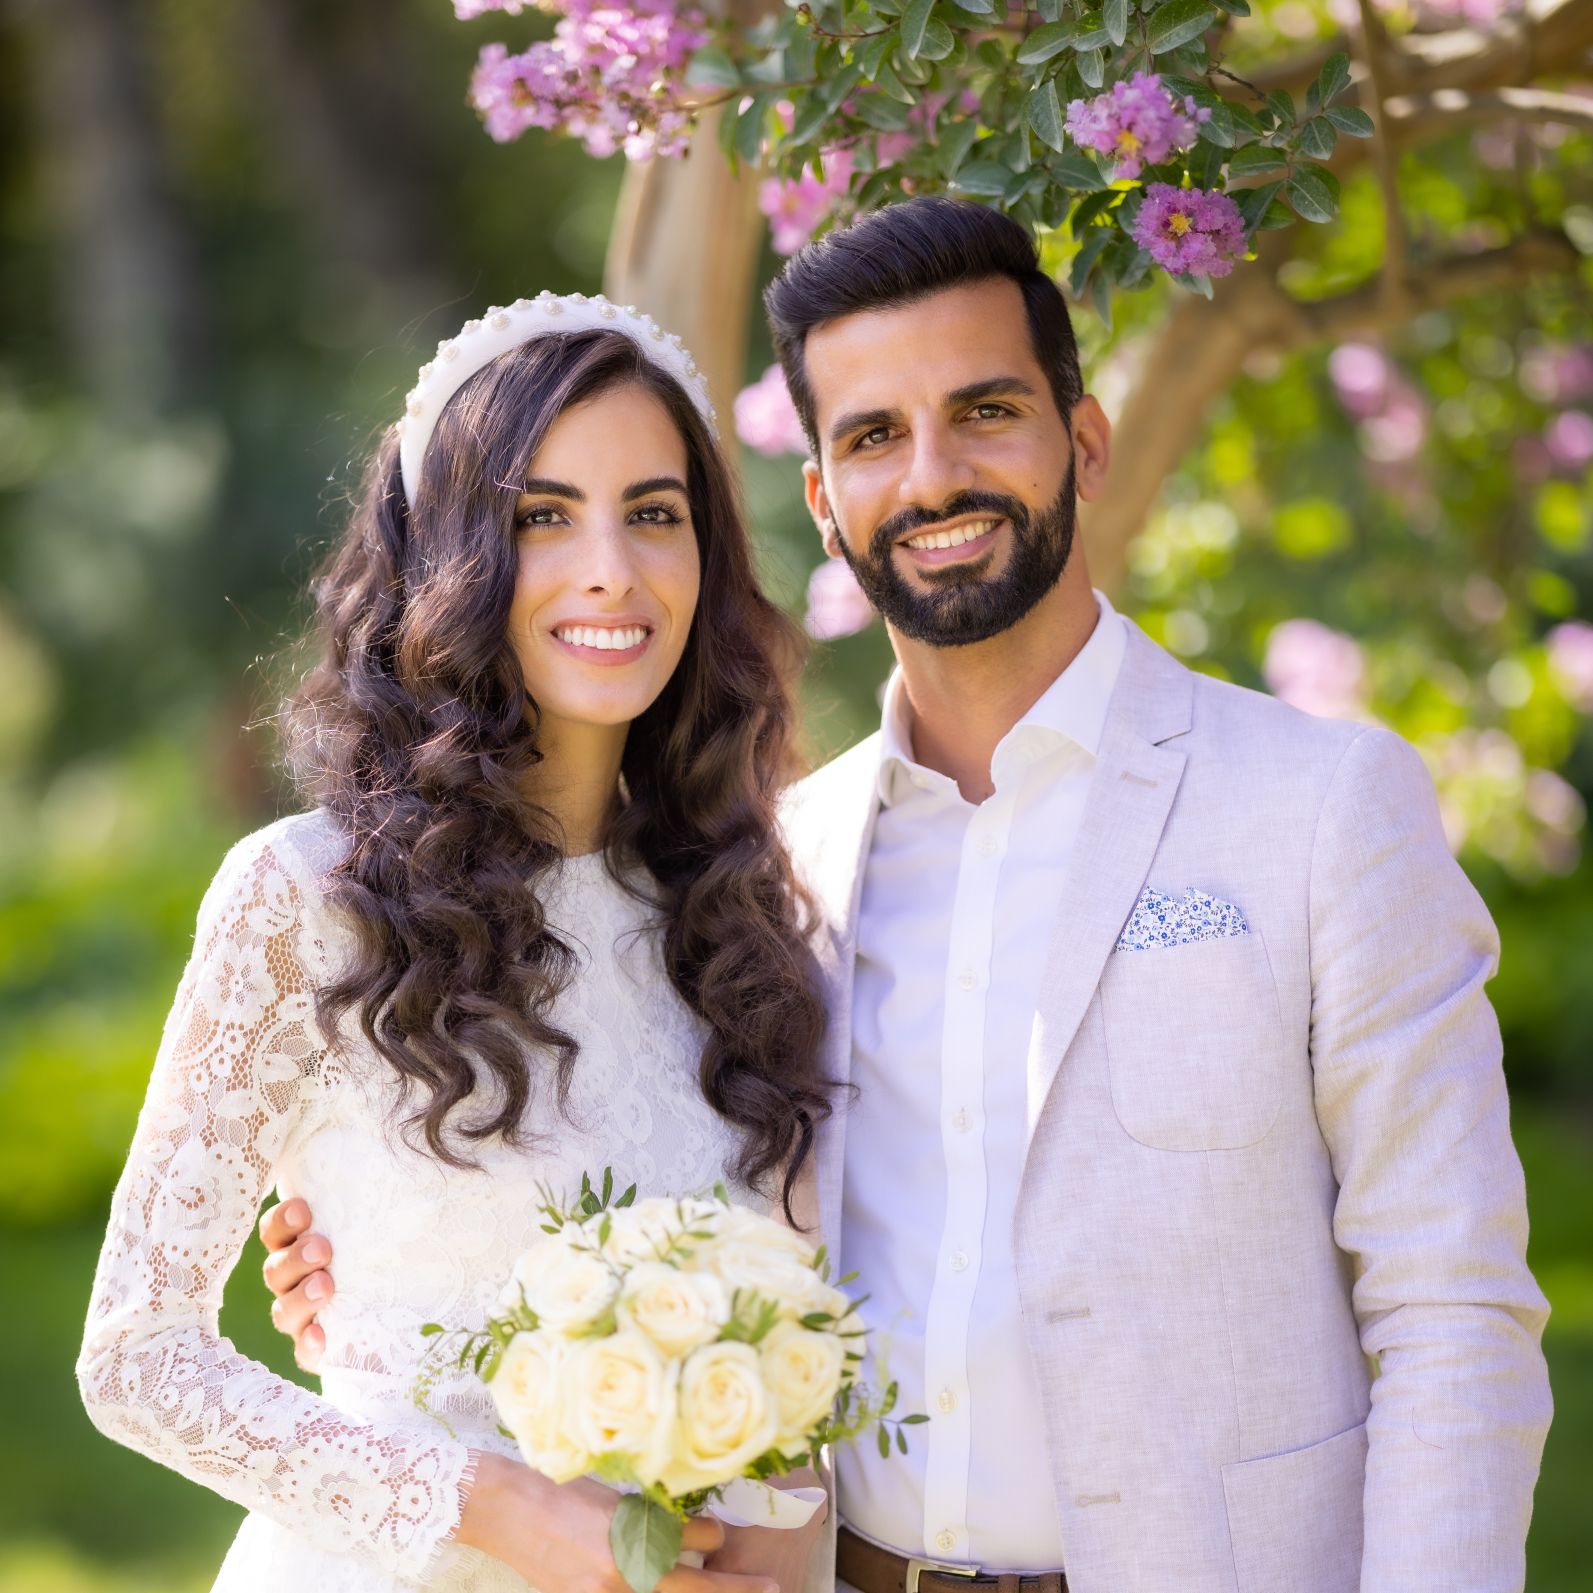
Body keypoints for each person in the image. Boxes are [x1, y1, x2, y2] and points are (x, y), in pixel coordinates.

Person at [265, 199, 1554, 1593]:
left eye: (985, 411)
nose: (932, 477)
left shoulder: (1317, 809)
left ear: (1084, 439)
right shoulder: (767, 877)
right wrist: (374, 1244)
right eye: (874, 435)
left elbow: (1453, 1313)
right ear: (821, 500)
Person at [76, 294, 834, 1593]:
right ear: (452, 557)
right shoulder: (307, 895)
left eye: (654, 512)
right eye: (543, 516)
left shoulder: (751, 917)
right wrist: (491, 1503)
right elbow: (137, 1357)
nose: (611, 566)